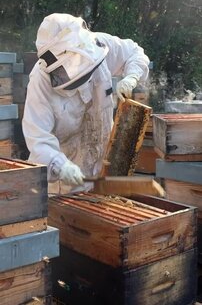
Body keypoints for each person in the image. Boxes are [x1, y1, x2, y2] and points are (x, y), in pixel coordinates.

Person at [22, 13, 150, 195]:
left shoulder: (98, 45)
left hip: (103, 175)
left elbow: (135, 52)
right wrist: (61, 166)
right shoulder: (40, 82)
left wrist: (131, 77)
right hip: (62, 188)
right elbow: (38, 140)